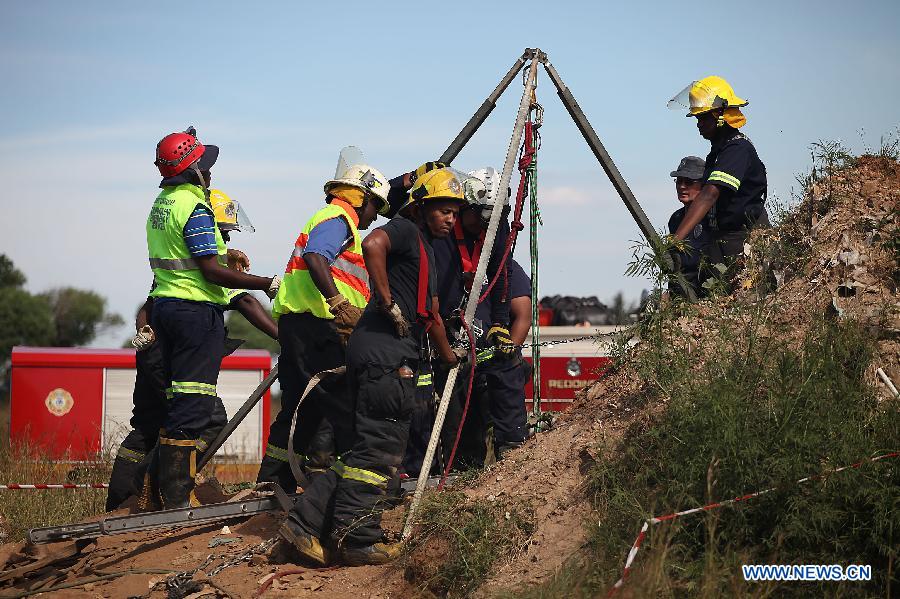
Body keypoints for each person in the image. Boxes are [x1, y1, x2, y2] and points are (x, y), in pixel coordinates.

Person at [279, 168, 466, 567]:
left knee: (366, 449)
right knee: (380, 450)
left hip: (386, 353)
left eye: (455, 213)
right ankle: (358, 539)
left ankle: (307, 523)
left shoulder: (426, 253)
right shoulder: (403, 230)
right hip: (384, 356)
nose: (452, 219)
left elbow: (431, 315)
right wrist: (385, 301)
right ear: (421, 207)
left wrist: (451, 359)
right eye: (444, 211)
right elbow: (374, 242)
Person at [107, 190, 277, 511]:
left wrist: (145, 332)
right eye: (223, 232)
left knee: (148, 426)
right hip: (163, 359)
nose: (224, 239)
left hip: (153, 354)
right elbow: (246, 301)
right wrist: (283, 334)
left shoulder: (179, 271)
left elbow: (148, 304)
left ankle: (123, 503)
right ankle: (162, 483)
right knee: (206, 416)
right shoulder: (208, 269)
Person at [146, 127, 281, 509]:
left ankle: (164, 492)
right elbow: (209, 271)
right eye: (205, 164)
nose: (210, 171)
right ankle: (176, 499)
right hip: (194, 313)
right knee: (195, 405)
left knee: (180, 403)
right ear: (193, 169)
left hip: (165, 308)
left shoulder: (163, 203)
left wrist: (226, 258)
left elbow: (185, 259)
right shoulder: (195, 206)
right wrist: (264, 282)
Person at [258, 162, 391, 493]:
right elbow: (317, 257)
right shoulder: (339, 220)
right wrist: (339, 304)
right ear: (360, 198)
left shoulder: (328, 219)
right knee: (344, 406)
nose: (375, 217)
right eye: (375, 205)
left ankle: (272, 484)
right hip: (317, 326)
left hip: (299, 325)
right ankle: (354, 489)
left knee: (302, 411)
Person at [667, 77, 769, 285]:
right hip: (722, 239)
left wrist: (676, 240)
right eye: (697, 119)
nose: (699, 124)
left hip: (743, 239)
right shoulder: (718, 152)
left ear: (720, 116)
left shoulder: (737, 149)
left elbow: (710, 194)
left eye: (703, 118)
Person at [666, 156, 712, 298]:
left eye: (689, 182)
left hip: (705, 296)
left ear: (704, 185)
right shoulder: (675, 219)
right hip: (680, 296)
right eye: (679, 181)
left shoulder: (713, 218)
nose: (682, 186)